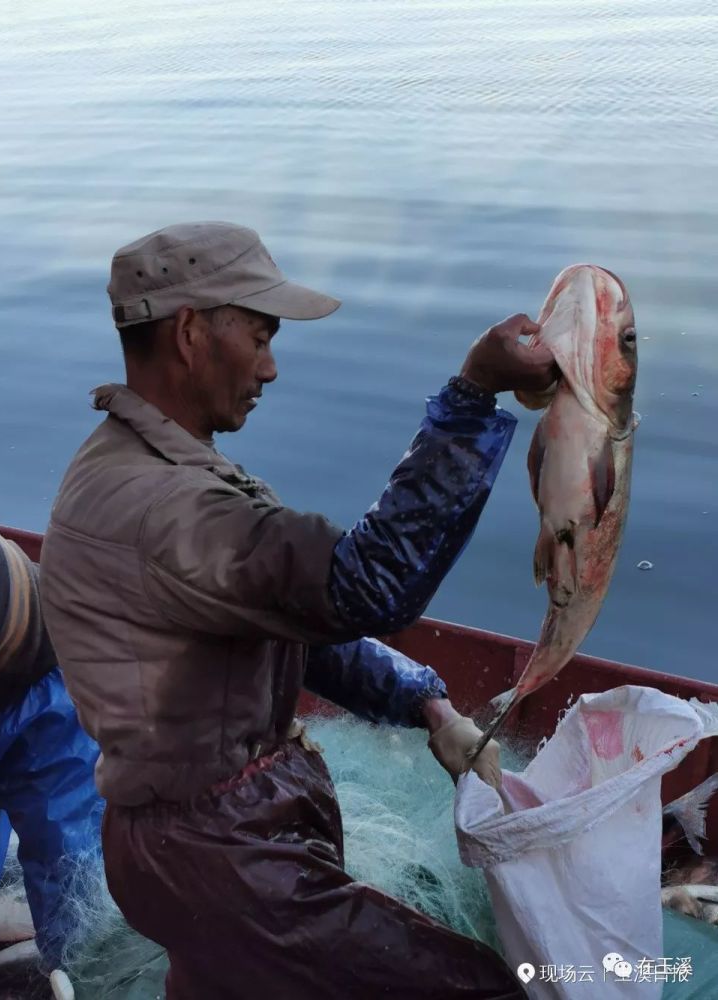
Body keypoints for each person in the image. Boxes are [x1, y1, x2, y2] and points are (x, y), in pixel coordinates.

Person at [39, 221, 556, 1000]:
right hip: (220, 857)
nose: (272, 367)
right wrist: (472, 395)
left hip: (203, 847)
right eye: (260, 335)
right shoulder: (164, 507)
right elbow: (366, 587)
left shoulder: (146, 464)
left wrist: (426, 704)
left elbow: (289, 626)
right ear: (188, 332)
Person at [0, 515, 103, 996]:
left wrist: (79, 966)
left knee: (68, 872)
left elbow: (64, 845)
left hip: (27, 666)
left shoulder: (41, 703)